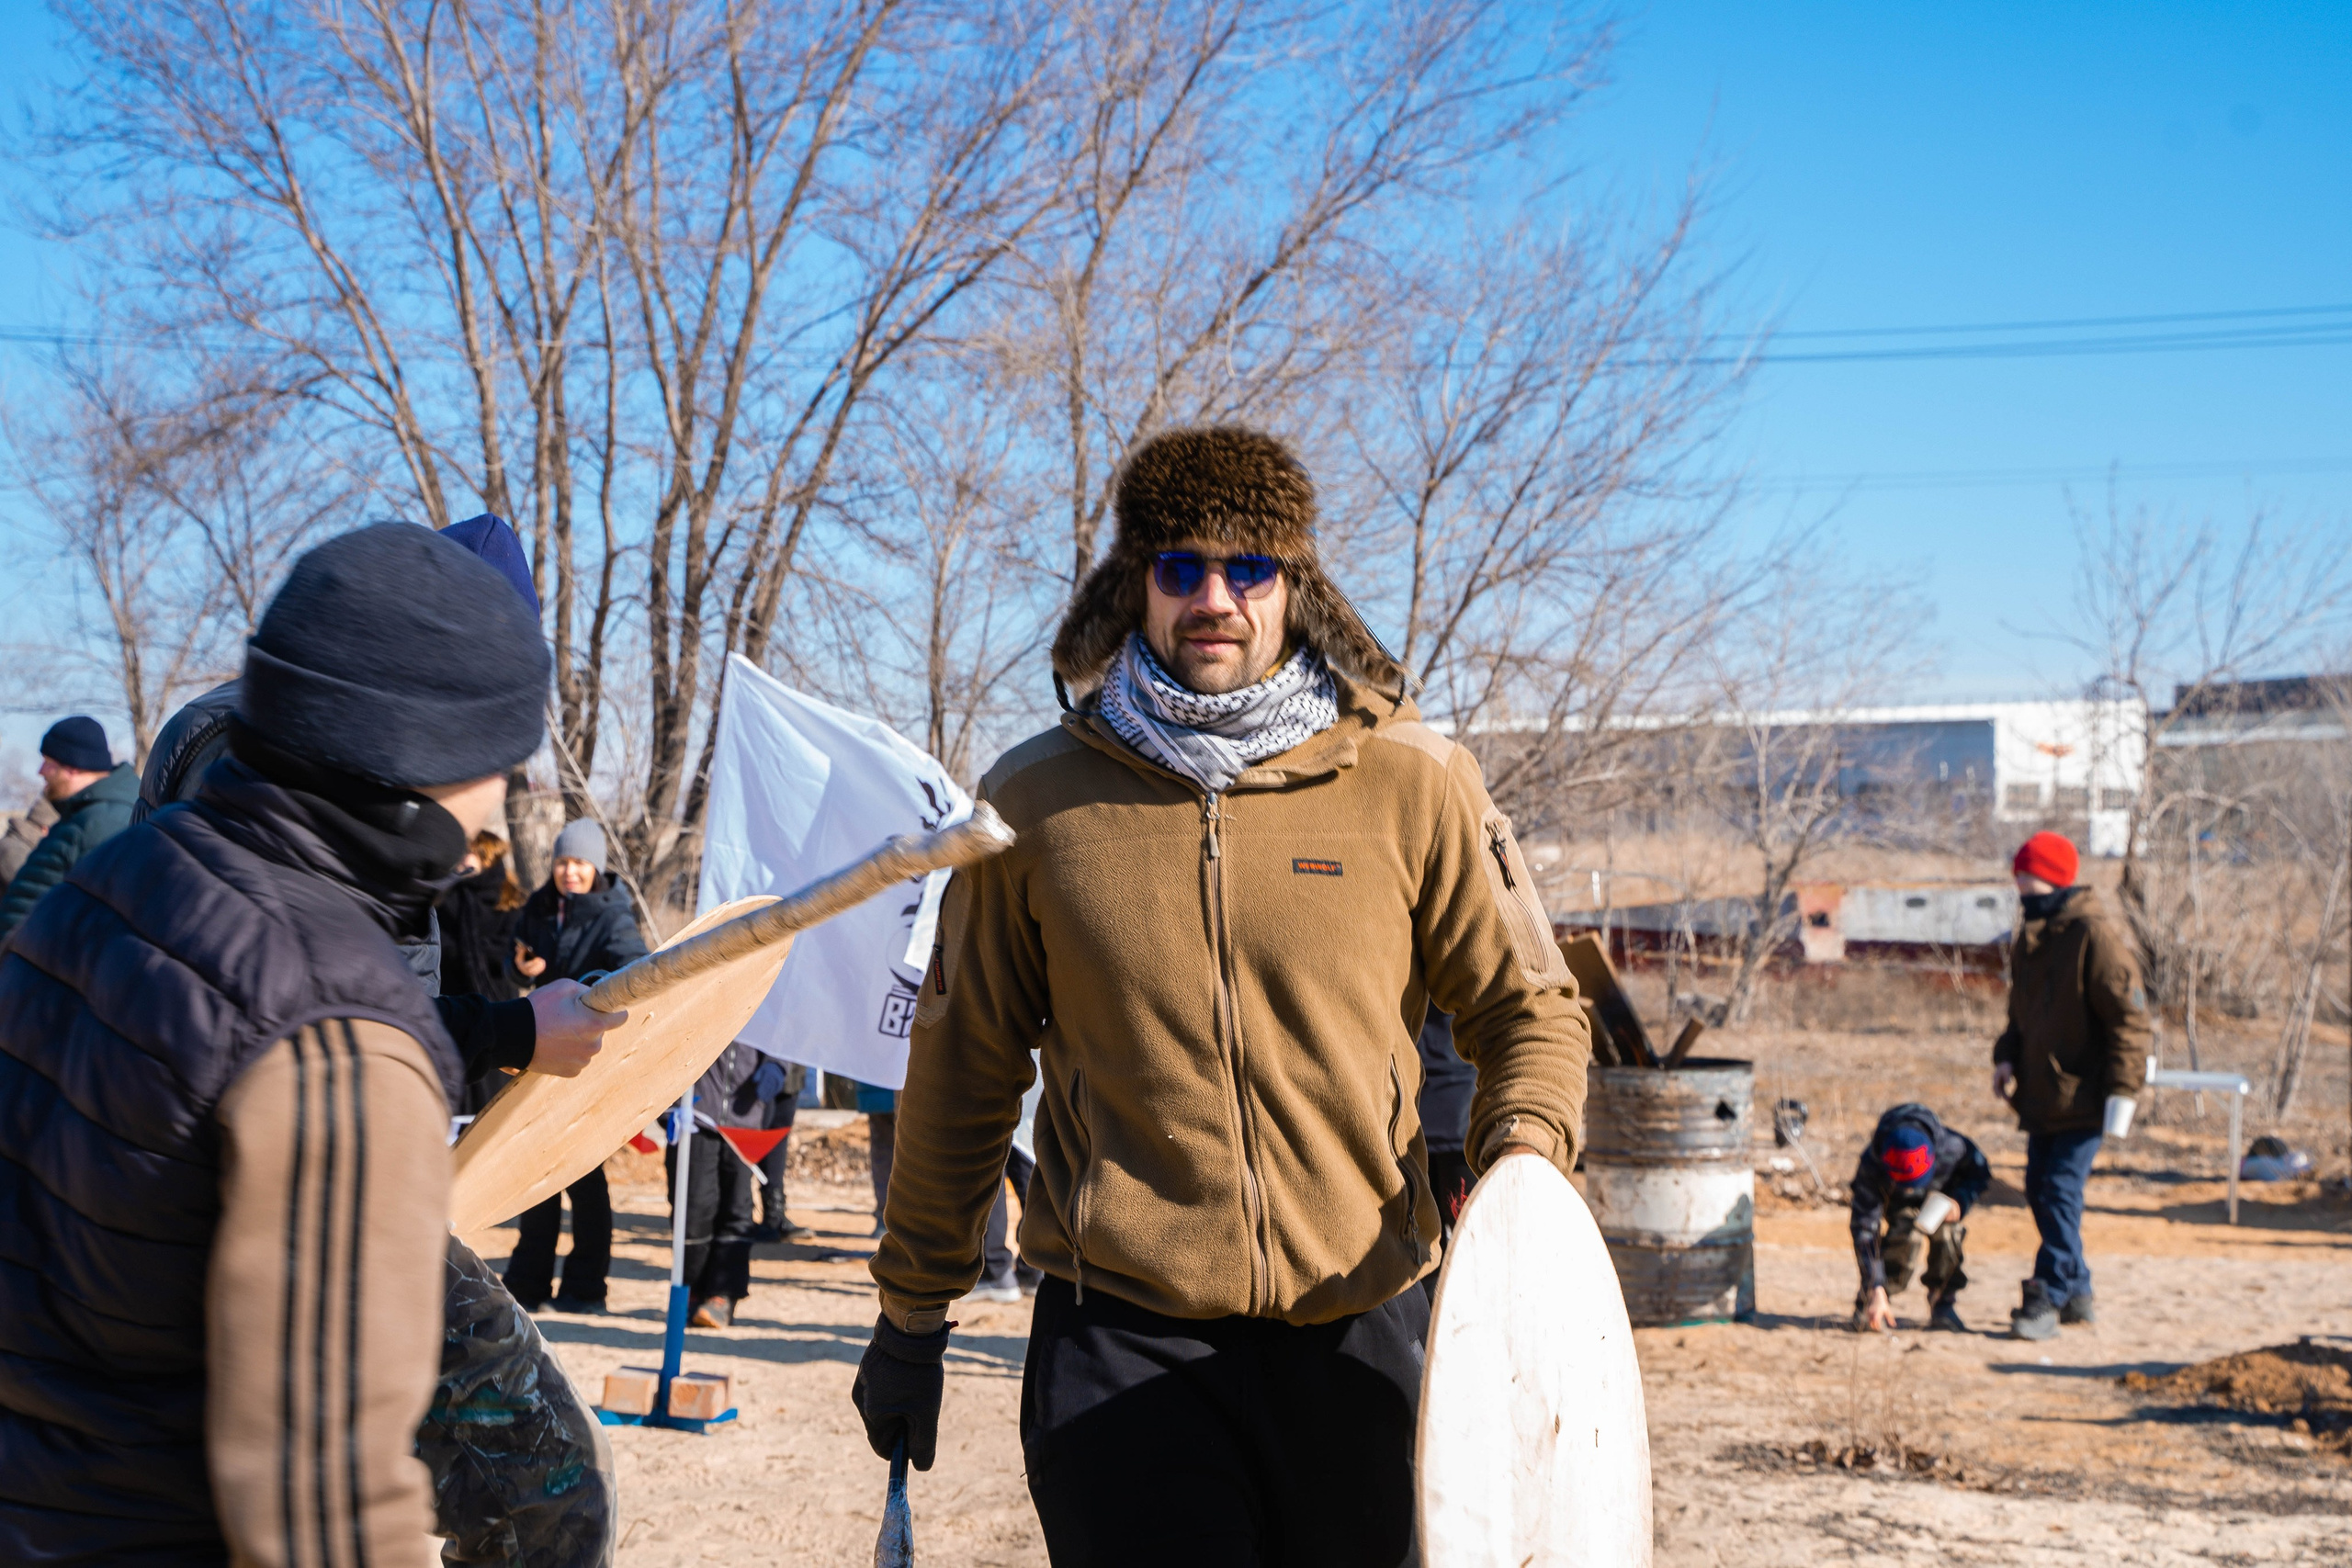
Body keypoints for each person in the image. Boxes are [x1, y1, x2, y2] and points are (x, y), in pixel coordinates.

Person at [854, 425, 1589, 1567]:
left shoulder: (1409, 779)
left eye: (1248, 568)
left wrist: (1524, 1167)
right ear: (1131, 587)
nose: (1214, 598)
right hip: (1121, 1340)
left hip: (1363, 1327)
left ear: (1296, 588)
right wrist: (912, 1315)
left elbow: (1528, 1005)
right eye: (1179, 568)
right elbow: (965, 1069)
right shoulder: (1034, 802)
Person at [0, 522, 548, 1564]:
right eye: (506, 750)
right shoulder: (335, 1026)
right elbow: (323, 1505)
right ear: (440, 746)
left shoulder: (98, 895)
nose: (508, 789)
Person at [1993, 830, 2150, 1341]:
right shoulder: (2032, 938)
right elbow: (2020, 1015)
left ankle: (2049, 1294)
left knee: (2059, 1192)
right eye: (2018, 877)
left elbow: (2129, 1021)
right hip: (2042, 1096)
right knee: (2041, 1192)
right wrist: (2006, 1058)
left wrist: (2123, 1093)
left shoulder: (2093, 937)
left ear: (2055, 878)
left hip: (2087, 1096)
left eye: (2028, 877)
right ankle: (2078, 1289)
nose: (2021, 887)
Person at [503, 818, 649, 1312]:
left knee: (584, 1177)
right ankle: (528, 1282)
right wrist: (520, 966)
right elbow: (514, 952)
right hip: (539, 1050)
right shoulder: (539, 906)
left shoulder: (613, 914)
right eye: (563, 862)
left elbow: (635, 969)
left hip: (587, 1055)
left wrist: (589, 986)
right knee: (533, 1171)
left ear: (596, 868)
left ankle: (586, 1287)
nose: (570, 872)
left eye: (580, 863)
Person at [1849, 1103, 1991, 1334]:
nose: (1909, 1192)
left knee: (1948, 1233)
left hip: (1941, 1203)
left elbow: (1981, 1173)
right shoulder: (1871, 1165)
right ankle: (1873, 1302)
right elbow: (1865, 1230)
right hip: (1896, 1209)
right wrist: (1875, 1286)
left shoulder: (1954, 1147)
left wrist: (1960, 1202)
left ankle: (1943, 1303)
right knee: (1907, 1234)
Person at [0, 716, 140, 938]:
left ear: (73, 766)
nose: (40, 771)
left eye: (48, 762)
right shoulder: (85, 816)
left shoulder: (100, 824)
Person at [750, 1056, 816, 1244]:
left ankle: (774, 1217)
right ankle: (741, 1214)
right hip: (755, 1064)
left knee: (778, 1136)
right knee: (750, 1135)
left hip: (791, 1063)